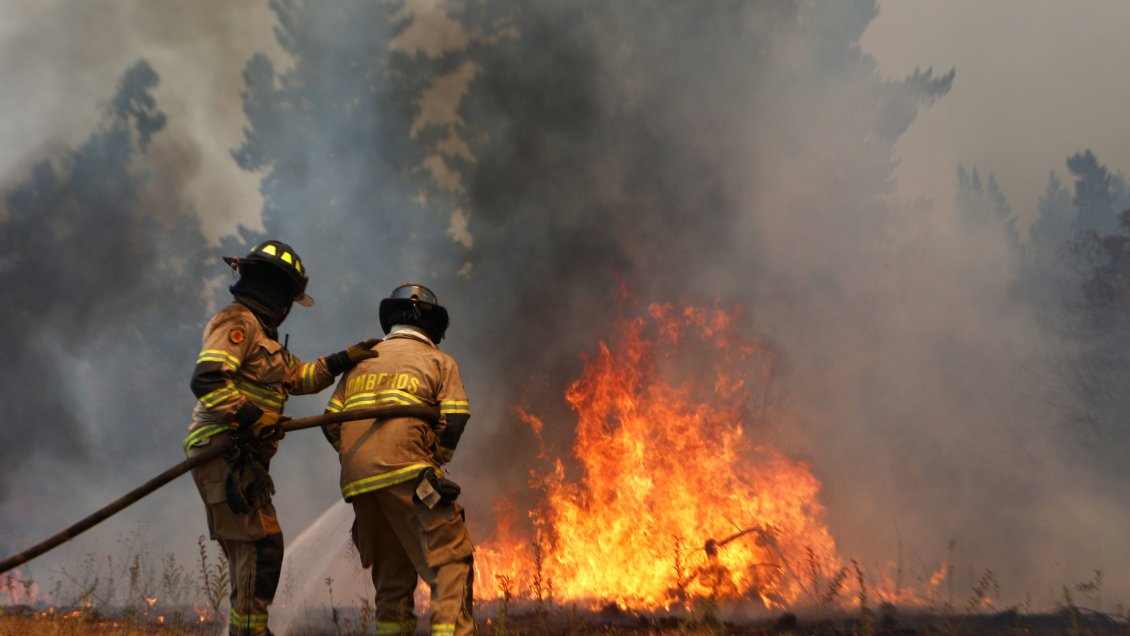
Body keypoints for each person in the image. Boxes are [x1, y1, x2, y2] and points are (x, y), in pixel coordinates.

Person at [183, 240, 379, 636]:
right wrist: (250, 417)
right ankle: (251, 632)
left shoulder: (265, 338)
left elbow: (300, 377)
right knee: (260, 546)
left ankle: (249, 629)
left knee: (256, 548)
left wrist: (343, 359)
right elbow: (207, 379)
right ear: (278, 294)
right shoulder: (237, 322)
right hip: (224, 448)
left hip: (242, 455)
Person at [323, 283, 474, 636]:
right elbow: (455, 420)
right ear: (434, 327)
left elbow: (331, 425)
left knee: (392, 580)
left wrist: (360, 456)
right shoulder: (439, 360)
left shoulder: (361, 364)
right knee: (450, 563)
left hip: (360, 483)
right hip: (411, 474)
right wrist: (436, 460)